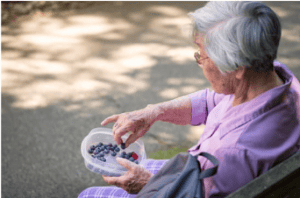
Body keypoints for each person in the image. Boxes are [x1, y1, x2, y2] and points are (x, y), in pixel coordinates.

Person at [78, 1, 300, 197]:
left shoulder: (235, 153)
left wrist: (146, 183)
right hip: (196, 171)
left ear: (238, 67)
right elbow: (208, 102)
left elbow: (192, 193)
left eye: (202, 55)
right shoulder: (273, 79)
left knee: (88, 195)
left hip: (191, 184)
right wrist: (154, 112)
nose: (200, 63)